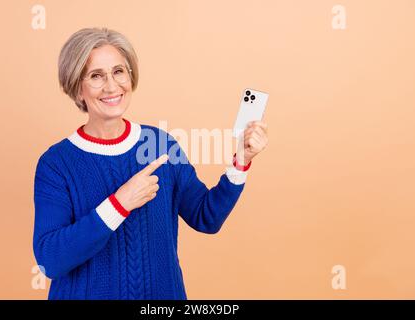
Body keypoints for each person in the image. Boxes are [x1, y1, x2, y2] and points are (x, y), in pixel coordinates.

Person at [33, 27, 268, 299]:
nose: (112, 86)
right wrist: (119, 204)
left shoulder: (160, 145)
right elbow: (49, 259)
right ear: (77, 88)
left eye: (119, 71)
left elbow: (207, 218)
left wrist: (241, 162)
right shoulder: (56, 164)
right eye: (96, 76)